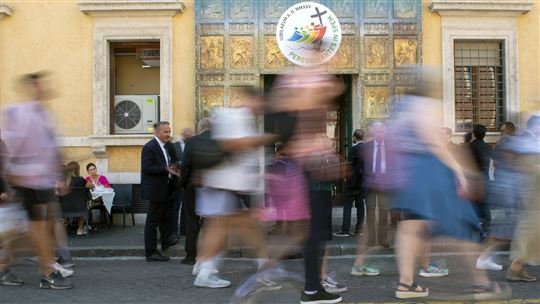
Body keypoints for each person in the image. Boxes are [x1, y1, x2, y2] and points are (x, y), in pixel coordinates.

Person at [389, 84, 507, 300]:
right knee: (463, 225)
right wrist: (461, 173)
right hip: (431, 174)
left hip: (407, 176)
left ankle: (405, 284)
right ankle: (482, 285)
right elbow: (436, 144)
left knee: (408, 229)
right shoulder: (423, 106)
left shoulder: (400, 111)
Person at [0, 71, 73, 289]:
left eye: (43, 84)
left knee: (32, 227)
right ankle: (47, 273)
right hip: (27, 179)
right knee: (37, 227)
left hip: (42, 180)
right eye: (37, 85)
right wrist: (11, 177)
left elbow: (50, 148)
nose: (42, 88)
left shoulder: (43, 114)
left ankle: (5, 267)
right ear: (29, 88)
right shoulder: (18, 113)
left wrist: (59, 177)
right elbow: (10, 146)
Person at [506, 115, 540, 282]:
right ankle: (517, 265)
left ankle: (518, 265)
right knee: (533, 222)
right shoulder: (530, 136)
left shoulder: (527, 135)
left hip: (530, 176)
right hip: (533, 175)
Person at [141, 121, 179, 262]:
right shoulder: (149, 147)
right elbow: (147, 168)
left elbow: (172, 162)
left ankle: (165, 242)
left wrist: (175, 170)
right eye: (165, 132)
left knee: (165, 218)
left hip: (166, 189)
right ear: (156, 132)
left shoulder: (167, 146)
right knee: (152, 221)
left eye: (169, 131)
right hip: (155, 190)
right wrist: (166, 169)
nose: (168, 134)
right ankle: (150, 253)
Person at [178, 123, 206, 265]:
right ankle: (209, 253)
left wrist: (182, 184)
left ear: (199, 129)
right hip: (213, 186)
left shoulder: (192, 142)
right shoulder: (219, 141)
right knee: (211, 221)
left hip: (192, 186)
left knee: (192, 220)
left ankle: (191, 255)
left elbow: (185, 165)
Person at [363, 122, 391, 248]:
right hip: (370, 184)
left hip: (385, 185)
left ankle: (382, 240)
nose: (379, 134)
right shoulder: (366, 147)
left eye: (382, 131)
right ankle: (370, 240)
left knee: (384, 214)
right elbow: (360, 165)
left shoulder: (391, 147)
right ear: (373, 133)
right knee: (370, 214)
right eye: (377, 131)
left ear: (385, 132)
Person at [334, 129, 365, 237]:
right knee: (360, 206)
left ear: (355, 137)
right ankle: (359, 230)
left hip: (353, 183)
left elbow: (350, 165)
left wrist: (346, 177)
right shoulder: (367, 148)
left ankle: (345, 230)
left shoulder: (354, 149)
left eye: (353, 137)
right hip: (363, 182)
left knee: (347, 206)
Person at [170, 128, 193, 240]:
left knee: (186, 207)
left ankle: (184, 230)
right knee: (176, 206)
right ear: (183, 135)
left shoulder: (192, 145)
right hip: (176, 182)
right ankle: (174, 231)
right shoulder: (174, 146)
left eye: (190, 135)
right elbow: (171, 161)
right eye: (187, 135)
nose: (188, 137)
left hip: (188, 182)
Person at [65, 161, 93, 235]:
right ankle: (80, 229)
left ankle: (65, 226)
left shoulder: (62, 181)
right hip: (79, 207)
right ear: (77, 169)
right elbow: (92, 186)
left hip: (64, 208)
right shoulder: (80, 180)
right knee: (84, 206)